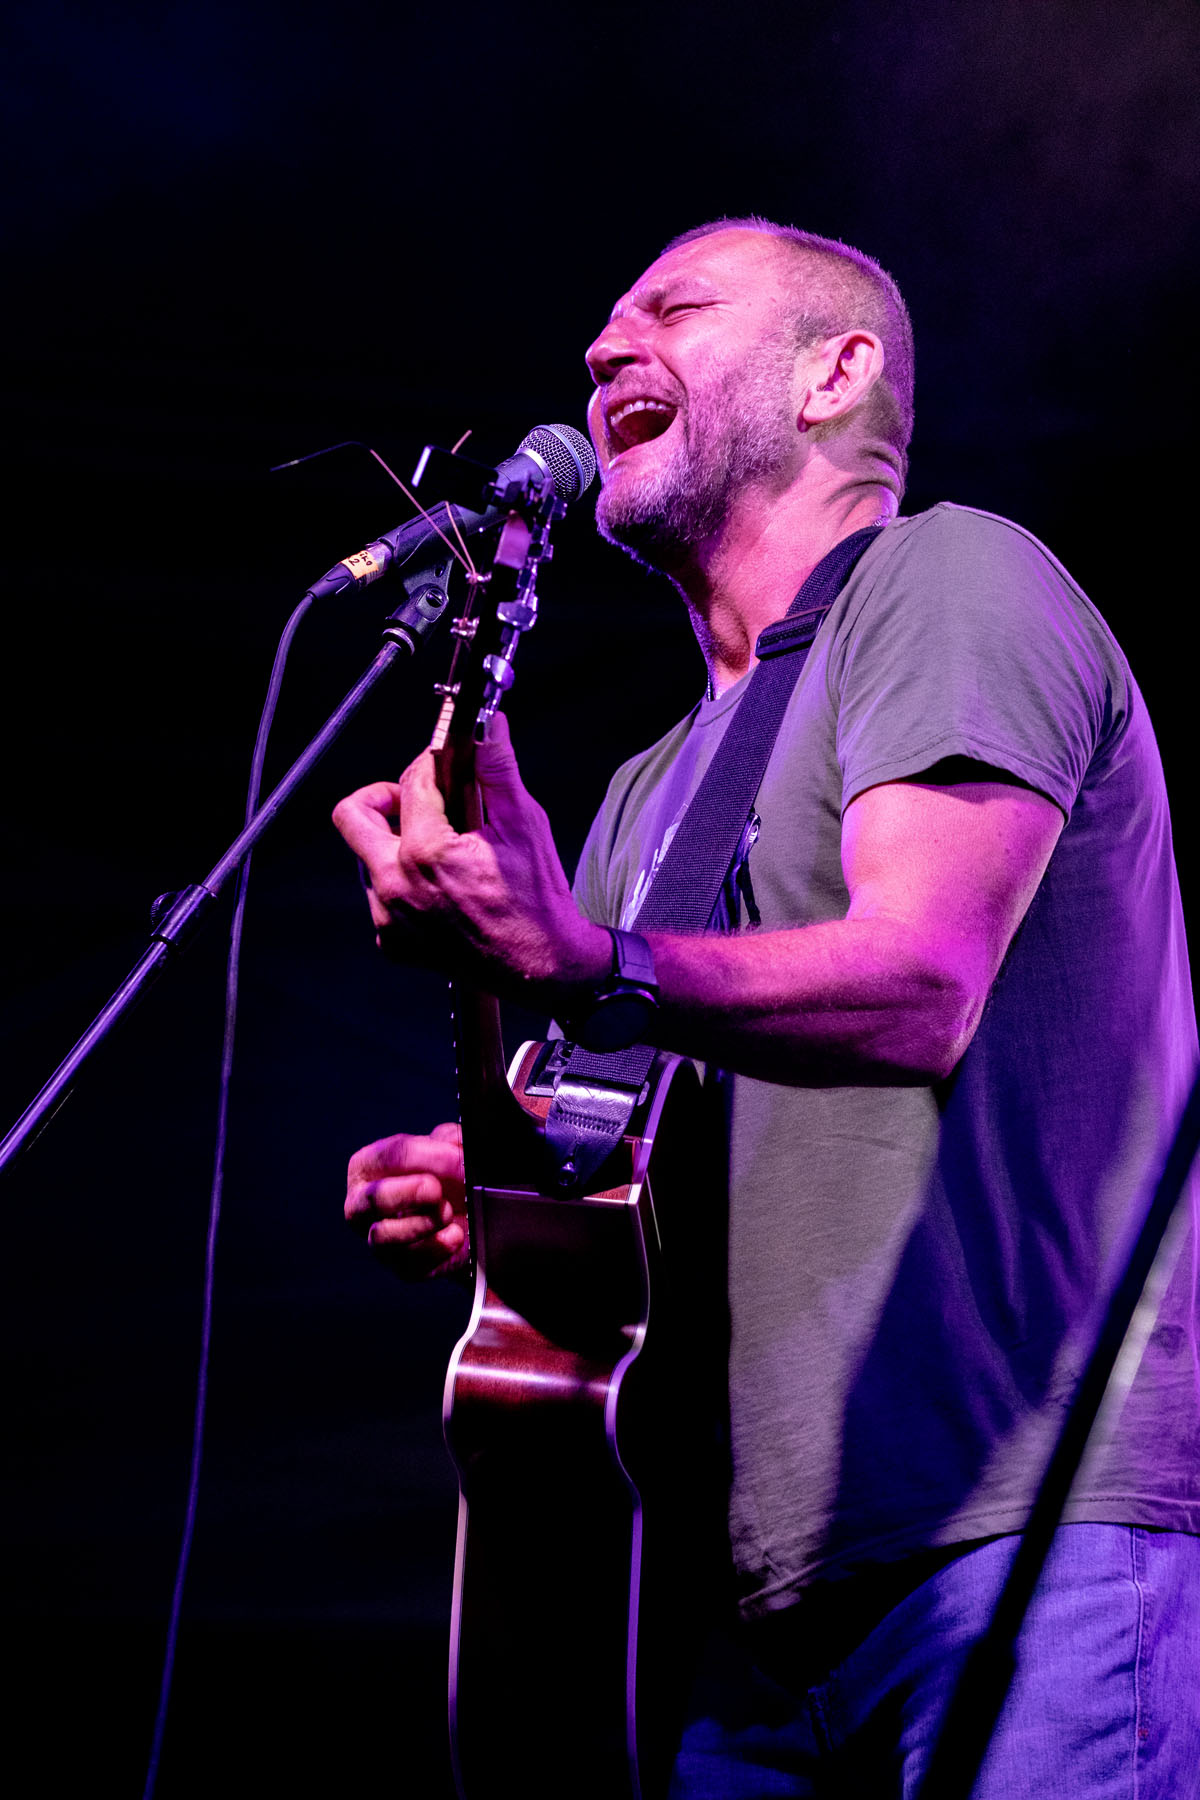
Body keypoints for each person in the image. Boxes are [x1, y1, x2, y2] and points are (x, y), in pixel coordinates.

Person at [331, 220, 1200, 1797]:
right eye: (605, 325)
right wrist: (499, 1180)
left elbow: (920, 985)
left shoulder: (947, 578)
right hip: (726, 1628)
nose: (605, 348)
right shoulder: (650, 790)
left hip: (1022, 1539)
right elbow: (630, 1121)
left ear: (834, 373)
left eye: (675, 308)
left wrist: (585, 958)